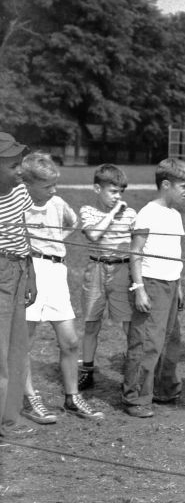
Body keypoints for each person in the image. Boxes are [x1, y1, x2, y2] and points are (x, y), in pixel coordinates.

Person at [20, 153, 104, 424]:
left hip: (57, 272)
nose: (54, 190)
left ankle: (72, 397)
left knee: (70, 341)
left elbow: (72, 223)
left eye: (55, 184)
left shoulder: (57, 202)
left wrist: (56, 240)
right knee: (25, 342)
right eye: (47, 186)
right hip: (30, 272)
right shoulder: (16, 203)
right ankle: (28, 397)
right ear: (27, 184)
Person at [123, 158, 185, 417]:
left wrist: (180, 286)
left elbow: (174, 254)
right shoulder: (147, 213)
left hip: (171, 284)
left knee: (170, 341)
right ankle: (136, 398)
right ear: (166, 184)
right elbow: (136, 252)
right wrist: (139, 288)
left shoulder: (174, 215)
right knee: (146, 343)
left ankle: (165, 390)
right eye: (183, 186)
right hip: (151, 284)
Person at [78, 163, 136, 391]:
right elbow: (93, 235)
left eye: (121, 191)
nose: (117, 196)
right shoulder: (87, 211)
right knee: (91, 324)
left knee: (128, 324)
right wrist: (112, 214)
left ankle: (133, 370)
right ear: (96, 189)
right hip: (97, 271)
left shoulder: (131, 214)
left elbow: (140, 245)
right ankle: (87, 371)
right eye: (113, 191)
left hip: (122, 271)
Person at [0, 133, 36, 440]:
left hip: (19, 268)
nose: (20, 171)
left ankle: (8, 420)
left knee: (16, 348)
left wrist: (31, 274)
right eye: (13, 166)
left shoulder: (20, 191)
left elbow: (24, 232)